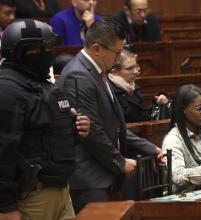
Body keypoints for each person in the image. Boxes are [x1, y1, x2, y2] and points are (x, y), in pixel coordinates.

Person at [56, 18, 163, 213]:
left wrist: (150, 148)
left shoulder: (99, 72)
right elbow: (91, 131)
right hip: (89, 178)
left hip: (103, 173)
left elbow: (113, 125)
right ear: (97, 48)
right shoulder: (78, 75)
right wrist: (119, 161)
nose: (119, 57)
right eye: (117, 52)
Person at [0, 19, 90, 220]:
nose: (50, 53)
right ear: (23, 52)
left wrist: (75, 131)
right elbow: (3, 151)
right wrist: (5, 206)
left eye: (51, 47)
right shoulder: (7, 90)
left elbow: (47, 136)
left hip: (60, 189)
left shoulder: (42, 84)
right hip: (31, 196)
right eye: (44, 49)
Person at [108, 49, 170, 122]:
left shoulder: (134, 87)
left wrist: (157, 103)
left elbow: (144, 118)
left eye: (136, 66)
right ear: (115, 72)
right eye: (130, 68)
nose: (136, 71)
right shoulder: (109, 92)